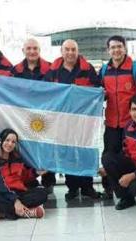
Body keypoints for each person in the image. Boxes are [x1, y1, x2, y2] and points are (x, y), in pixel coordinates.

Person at [44, 39, 101, 200]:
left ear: (78, 51)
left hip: (83, 120)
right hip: (62, 121)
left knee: (84, 152)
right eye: (67, 49)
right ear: (61, 52)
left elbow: (97, 89)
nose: (70, 53)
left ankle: (88, 187)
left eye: (73, 50)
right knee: (67, 153)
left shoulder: (87, 69)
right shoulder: (53, 71)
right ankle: (72, 187)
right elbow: (45, 92)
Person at [100, 35, 136, 199]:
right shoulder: (103, 71)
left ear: (125, 48)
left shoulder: (135, 68)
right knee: (108, 158)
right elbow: (97, 95)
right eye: (113, 47)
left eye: (119, 46)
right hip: (112, 124)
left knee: (130, 158)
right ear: (108, 50)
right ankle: (117, 192)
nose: (116, 50)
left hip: (132, 125)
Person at [0, 128, 48, 222]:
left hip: (19, 194)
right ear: (0, 141)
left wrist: (36, 173)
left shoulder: (17, 158)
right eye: (7, 140)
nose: (10, 144)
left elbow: (24, 177)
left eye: (13, 142)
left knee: (42, 193)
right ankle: (27, 212)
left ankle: (1, 213)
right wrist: (15, 201)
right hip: (3, 194)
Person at [12, 39, 55, 191]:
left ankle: (49, 181)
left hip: (46, 116)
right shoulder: (15, 70)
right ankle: (29, 180)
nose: (32, 51)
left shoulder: (50, 68)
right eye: (28, 48)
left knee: (47, 146)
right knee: (25, 147)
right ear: (23, 50)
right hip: (23, 117)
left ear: (39, 50)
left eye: (35, 48)